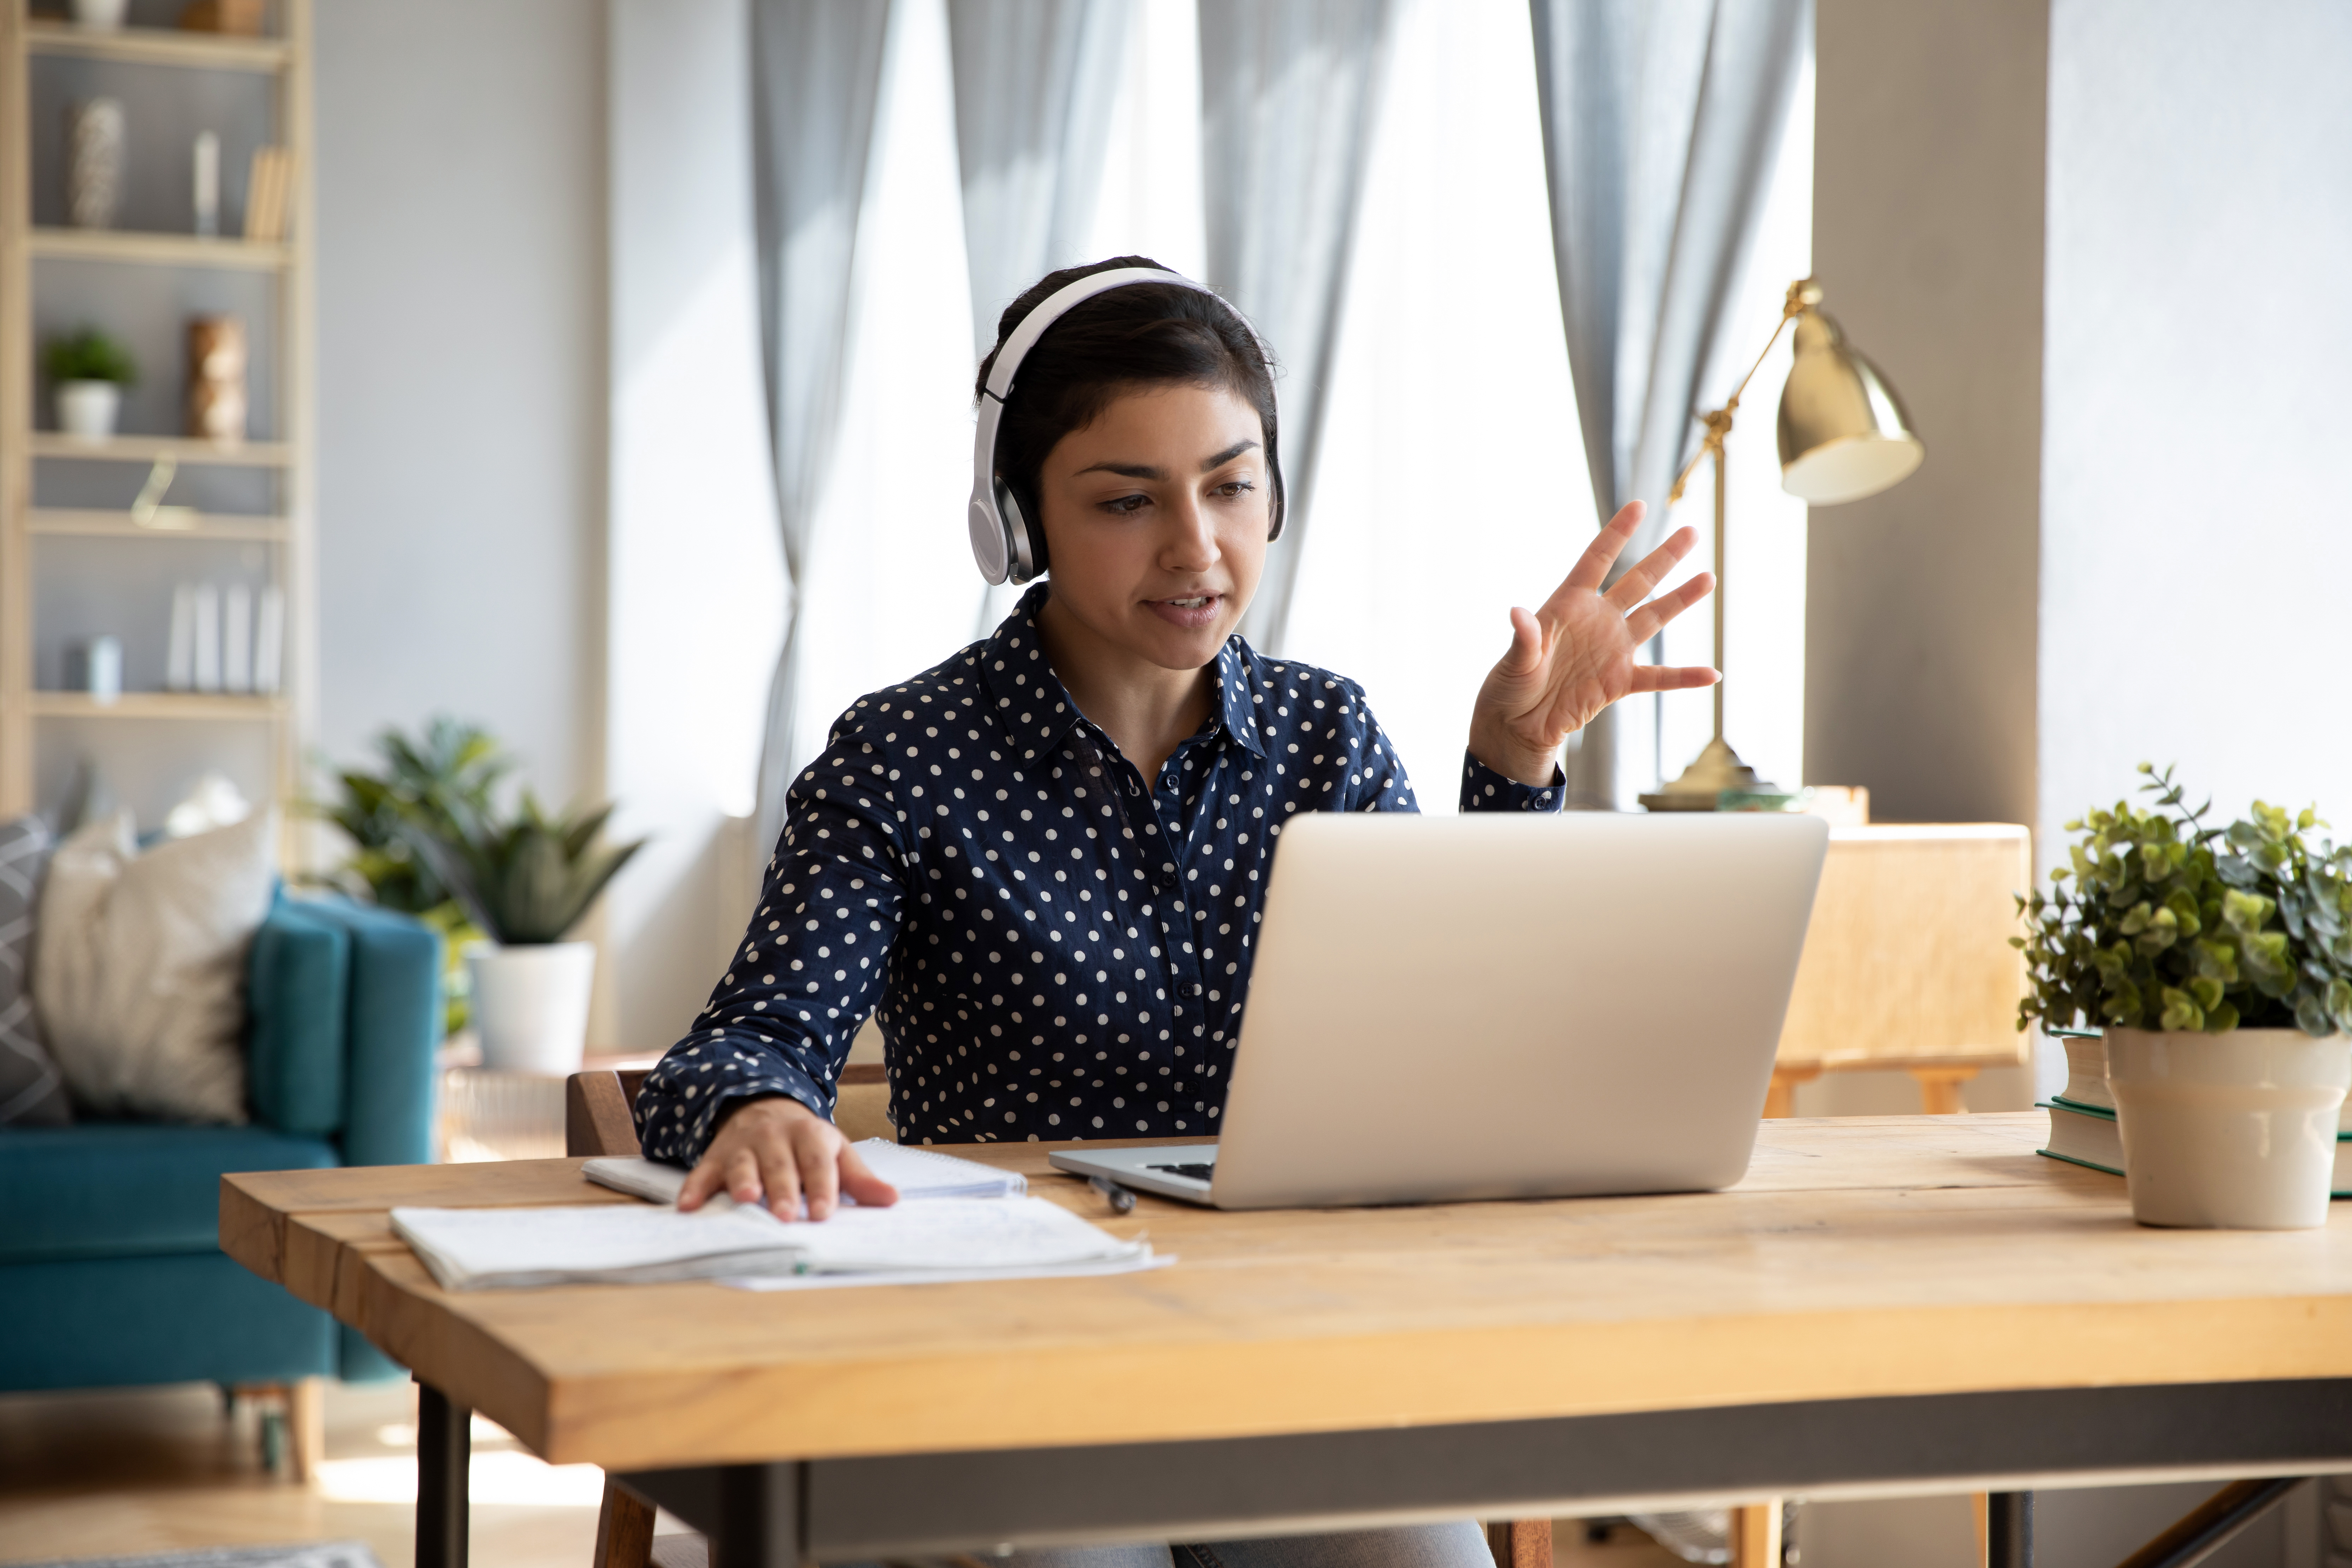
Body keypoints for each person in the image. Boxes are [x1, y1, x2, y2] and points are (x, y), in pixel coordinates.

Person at [632, 258, 1716, 1568]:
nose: (1196, 547)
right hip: (1013, 1365)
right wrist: (759, 1109)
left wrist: (1513, 769)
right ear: (1019, 519)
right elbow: (743, 1045)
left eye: (1229, 485)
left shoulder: (1326, 733)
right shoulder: (903, 754)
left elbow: (1455, 1050)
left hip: (1296, 1355)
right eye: (1125, 500)